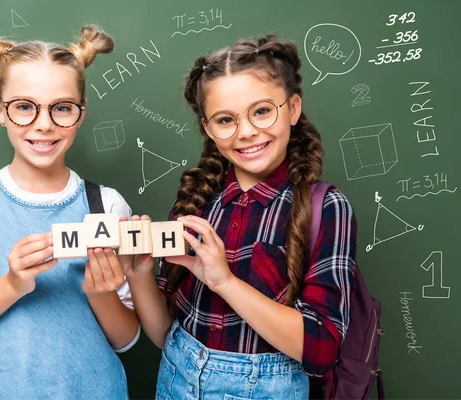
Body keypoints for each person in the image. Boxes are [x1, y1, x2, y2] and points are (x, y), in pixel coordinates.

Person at [122, 34, 357, 399]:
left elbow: (323, 350)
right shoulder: (196, 201)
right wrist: (137, 274)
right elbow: (166, 332)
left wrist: (225, 282)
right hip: (175, 382)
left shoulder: (326, 207)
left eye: (262, 111)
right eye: (225, 119)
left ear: (293, 108)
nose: (246, 132)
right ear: (207, 128)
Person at [0, 25, 139, 399]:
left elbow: (127, 341)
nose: (43, 124)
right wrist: (11, 285)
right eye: (24, 107)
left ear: (81, 114)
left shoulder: (107, 204)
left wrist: (102, 294)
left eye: (62, 108)